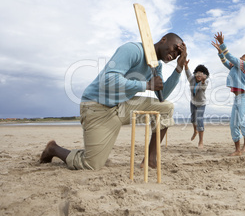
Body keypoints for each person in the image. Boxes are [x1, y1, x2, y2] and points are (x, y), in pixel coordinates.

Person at [40, 33, 187, 170]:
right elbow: (108, 80)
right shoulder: (133, 50)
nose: (174, 55)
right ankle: (53, 149)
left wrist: (179, 68)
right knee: (91, 164)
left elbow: (162, 95)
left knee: (166, 107)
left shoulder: (157, 66)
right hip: (97, 107)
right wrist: (146, 85)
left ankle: (150, 158)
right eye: (175, 49)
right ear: (163, 40)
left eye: (178, 54)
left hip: (122, 105)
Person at [211, 32, 245, 157]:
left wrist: (222, 44)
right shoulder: (237, 67)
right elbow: (225, 61)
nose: (240, 58)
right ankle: (238, 150)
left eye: (243, 57)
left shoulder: (244, 65)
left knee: (243, 123)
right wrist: (220, 52)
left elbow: (229, 56)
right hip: (237, 98)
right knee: (233, 124)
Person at [184, 61, 209, 149]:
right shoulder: (192, 80)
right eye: (197, 73)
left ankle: (201, 141)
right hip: (193, 102)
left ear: (205, 76)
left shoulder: (205, 82)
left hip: (201, 104)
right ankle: (195, 131)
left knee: (199, 120)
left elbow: (203, 87)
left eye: (201, 74)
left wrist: (203, 81)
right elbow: (188, 73)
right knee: (193, 119)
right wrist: (186, 65)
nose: (199, 75)